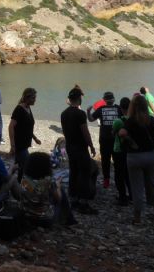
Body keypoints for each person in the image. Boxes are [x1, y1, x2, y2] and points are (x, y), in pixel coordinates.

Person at [119, 94, 154, 224]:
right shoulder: (152, 120)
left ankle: (137, 218)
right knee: (152, 185)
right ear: (145, 105)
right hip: (150, 155)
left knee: (136, 187)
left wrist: (129, 140)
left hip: (134, 157)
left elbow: (121, 133)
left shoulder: (130, 121)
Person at [61, 85, 97, 215]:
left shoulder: (64, 113)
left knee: (74, 172)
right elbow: (85, 131)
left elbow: (65, 131)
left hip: (70, 146)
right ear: (78, 98)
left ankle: (74, 200)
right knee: (85, 173)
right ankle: (84, 203)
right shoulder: (80, 113)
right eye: (80, 97)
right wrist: (91, 145)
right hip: (80, 147)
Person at [19, 151, 76, 227]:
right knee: (60, 190)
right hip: (44, 220)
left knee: (46, 193)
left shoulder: (24, 179)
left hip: (25, 215)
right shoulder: (49, 182)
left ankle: (69, 219)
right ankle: (70, 219)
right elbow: (58, 198)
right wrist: (58, 186)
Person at [87, 91, 120, 189]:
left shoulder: (101, 109)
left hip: (104, 139)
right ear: (113, 99)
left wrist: (88, 111)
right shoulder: (118, 109)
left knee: (105, 161)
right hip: (116, 140)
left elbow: (91, 119)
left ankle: (106, 181)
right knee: (117, 161)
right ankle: (119, 180)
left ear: (104, 100)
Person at [9, 88, 42, 181]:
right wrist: (12, 145)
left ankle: (13, 181)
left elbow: (27, 127)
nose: (35, 100)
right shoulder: (19, 109)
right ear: (27, 98)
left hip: (25, 144)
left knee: (19, 165)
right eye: (33, 98)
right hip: (19, 144)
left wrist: (35, 138)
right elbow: (11, 127)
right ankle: (18, 183)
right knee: (26, 165)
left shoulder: (28, 108)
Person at [112, 97, 132, 205]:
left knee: (119, 174)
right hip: (130, 150)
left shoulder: (118, 121)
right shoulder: (134, 120)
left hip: (119, 150)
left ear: (121, 107)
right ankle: (132, 195)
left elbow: (113, 133)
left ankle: (122, 197)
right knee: (129, 173)